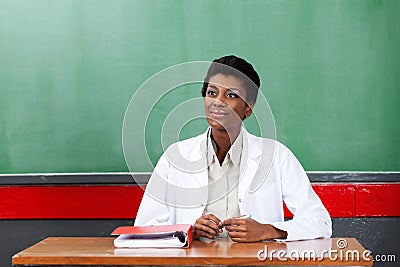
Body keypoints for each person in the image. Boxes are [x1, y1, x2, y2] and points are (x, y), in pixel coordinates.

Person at [134, 55, 332, 242]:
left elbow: (321, 221)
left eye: (231, 95)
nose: (218, 102)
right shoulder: (175, 156)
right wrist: (189, 230)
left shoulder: (276, 156)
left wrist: (268, 230)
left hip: (255, 262)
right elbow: (144, 227)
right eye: (212, 93)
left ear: (249, 107)